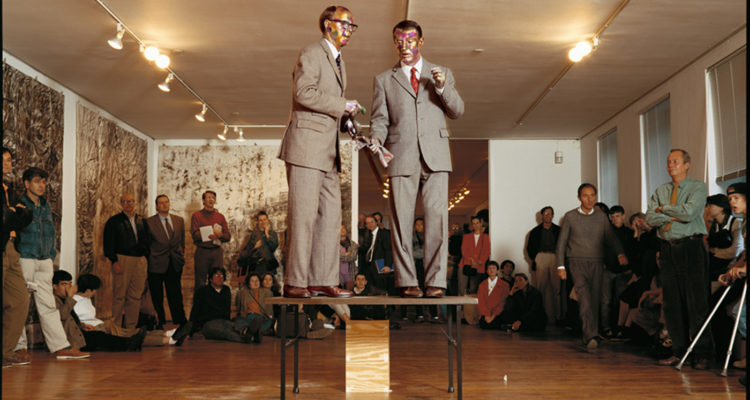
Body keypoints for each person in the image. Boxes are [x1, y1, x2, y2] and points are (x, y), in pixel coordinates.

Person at [369, 19, 465, 298]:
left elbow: (457, 111)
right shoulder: (383, 80)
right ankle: (407, 281)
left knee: (437, 220)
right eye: (399, 41)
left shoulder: (442, 73)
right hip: (401, 155)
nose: (404, 46)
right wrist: (376, 139)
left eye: (410, 40)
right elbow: (380, 119)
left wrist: (442, 87)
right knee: (401, 221)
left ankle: (436, 281)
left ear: (421, 42)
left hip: (436, 155)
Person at [277, 5, 360, 299]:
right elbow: (304, 92)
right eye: (344, 24)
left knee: (330, 218)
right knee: (303, 217)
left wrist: (347, 120)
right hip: (306, 148)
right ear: (327, 24)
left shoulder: (339, 61)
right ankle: (295, 282)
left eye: (352, 26)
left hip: (328, 152)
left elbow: (327, 106)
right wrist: (343, 105)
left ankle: (322, 280)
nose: (349, 30)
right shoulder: (312, 52)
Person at [646, 149, 712, 369]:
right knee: (672, 304)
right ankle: (679, 351)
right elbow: (650, 218)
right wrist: (674, 214)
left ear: (687, 164)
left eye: (675, 161)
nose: (670, 165)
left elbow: (690, 213)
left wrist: (664, 209)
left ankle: (701, 354)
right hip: (667, 249)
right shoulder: (661, 190)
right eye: (668, 162)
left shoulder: (698, 187)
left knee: (696, 303)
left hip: (691, 247)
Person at [14, 167, 89, 359]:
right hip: (25, 258)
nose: (41, 185)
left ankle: (60, 346)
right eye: (37, 181)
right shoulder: (19, 204)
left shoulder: (45, 205)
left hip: (44, 260)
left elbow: (50, 232)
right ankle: (18, 347)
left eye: (43, 182)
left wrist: (50, 255)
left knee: (48, 305)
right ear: (27, 184)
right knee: (20, 304)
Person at [557, 183, 627, 349]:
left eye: (592, 195)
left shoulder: (601, 217)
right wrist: (560, 266)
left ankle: (590, 333)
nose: (589, 199)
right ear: (579, 198)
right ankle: (590, 336)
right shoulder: (570, 216)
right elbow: (561, 242)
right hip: (576, 261)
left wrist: (620, 253)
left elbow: (610, 237)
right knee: (584, 298)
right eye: (585, 196)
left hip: (597, 261)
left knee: (595, 299)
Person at [71, 273, 188, 349]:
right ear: (88, 290)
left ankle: (168, 334)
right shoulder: (75, 301)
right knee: (133, 336)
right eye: (94, 290)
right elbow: (74, 321)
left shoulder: (86, 299)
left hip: (102, 325)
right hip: (97, 329)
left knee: (133, 332)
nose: (95, 293)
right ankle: (168, 339)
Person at [2, 147, 33, 367]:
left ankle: (5, 350)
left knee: (21, 299)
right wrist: (13, 212)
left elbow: (25, 216)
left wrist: (14, 212)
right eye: (2, 159)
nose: (6, 163)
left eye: (9, 160)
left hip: (12, 248)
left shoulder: (10, 190)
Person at [103, 193, 150, 329]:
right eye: (125, 201)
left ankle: (131, 328)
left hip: (140, 260)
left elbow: (148, 240)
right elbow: (108, 243)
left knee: (135, 296)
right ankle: (116, 327)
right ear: (121, 204)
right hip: (123, 259)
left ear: (134, 202)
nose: (128, 204)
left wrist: (146, 258)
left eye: (131, 201)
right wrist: (114, 261)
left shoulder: (142, 220)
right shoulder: (114, 221)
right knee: (119, 295)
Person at [144, 194, 187, 329]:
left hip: (174, 262)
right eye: (161, 203)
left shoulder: (179, 220)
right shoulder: (149, 222)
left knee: (175, 293)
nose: (164, 205)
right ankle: (160, 321)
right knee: (157, 295)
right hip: (156, 263)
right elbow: (146, 244)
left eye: (166, 202)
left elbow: (182, 242)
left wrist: (180, 257)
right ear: (157, 206)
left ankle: (180, 320)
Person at [189, 267, 261, 344]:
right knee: (225, 332)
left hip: (224, 321)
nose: (220, 278)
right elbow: (195, 311)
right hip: (208, 322)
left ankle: (248, 331)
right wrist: (192, 331)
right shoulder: (202, 291)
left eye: (222, 276)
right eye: (217, 275)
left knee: (235, 324)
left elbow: (226, 310)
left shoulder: (226, 290)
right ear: (210, 279)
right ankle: (249, 337)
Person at [718, 182, 746, 371]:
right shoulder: (744, 222)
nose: (732, 202)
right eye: (730, 199)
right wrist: (734, 269)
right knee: (738, 312)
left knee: (740, 312)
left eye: (736, 198)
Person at [526, 206, 562, 324]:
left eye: (550, 213)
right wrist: (535, 258)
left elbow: (564, 245)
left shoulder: (559, 230)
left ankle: (559, 317)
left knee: (557, 289)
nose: (548, 215)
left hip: (555, 258)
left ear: (553, 215)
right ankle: (539, 316)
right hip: (541, 257)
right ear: (542, 215)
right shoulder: (535, 231)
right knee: (540, 288)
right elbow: (529, 248)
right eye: (546, 213)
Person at [190, 190, 231, 292]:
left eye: (213, 198)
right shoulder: (197, 215)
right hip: (202, 251)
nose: (211, 200)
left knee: (217, 280)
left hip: (217, 252)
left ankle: (215, 301)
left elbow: (227, 236)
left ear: (215, 201)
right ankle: (200, 302)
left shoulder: (220, 217)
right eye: (208, 197)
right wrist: (209, 233)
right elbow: (195, 235)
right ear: (203, 200)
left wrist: (220, 235)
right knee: (200, 281)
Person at [705, 194, 743, 286]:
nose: (707, 208)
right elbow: (708, 246)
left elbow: (735, 251)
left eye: (710, 205)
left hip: (731, 264)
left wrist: (715, 251)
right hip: (716, 263)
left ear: (721, 207)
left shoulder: (737, 223)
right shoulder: (714, 225)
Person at [237, 211, 279, 281]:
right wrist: (255, 247)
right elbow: (247, 251)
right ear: (258, 222)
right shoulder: (253, 234)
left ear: (267, 220)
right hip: (256, 266)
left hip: (268, 266)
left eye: (264, 219)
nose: (263, 222)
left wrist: (267, 234)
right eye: (260, 220)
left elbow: (273, 247)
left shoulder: (273, 234)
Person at [234, 273, 274, 341]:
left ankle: (250, 332)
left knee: (267, 321)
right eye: (252, 281)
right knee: (238, 321)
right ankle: (257, 332)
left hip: (260, 317)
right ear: (249, 283)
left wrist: (270, 318)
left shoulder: (267, 293)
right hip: (247, 317)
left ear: (260, 282)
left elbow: (269, 309)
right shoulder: (242, 293)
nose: (255, 283)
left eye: (257, 280)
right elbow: (238, 306)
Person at [361, 214, 394, 295]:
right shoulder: (368, 235)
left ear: (376, 222)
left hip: (380, 266)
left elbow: (388, 250)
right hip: (369, 266)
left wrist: (388, 265)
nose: (370, 224)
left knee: (381, 290)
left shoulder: (384, 233)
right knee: (372, 291)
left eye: (372, 222)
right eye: (367, 223)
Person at [459, 215, 491, 295]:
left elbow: (487, 252)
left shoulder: (486, 237)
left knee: (474, 289)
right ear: (472, 225)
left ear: (481, 223)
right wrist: (472, 260)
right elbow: (464, 250)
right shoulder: (466, 237)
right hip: (465, 264)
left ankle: (471, 304)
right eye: (473, 223)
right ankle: (460, 303)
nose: (475, 225)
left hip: (479, 265)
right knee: (462, 289)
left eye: (477, 223)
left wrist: (480, 262)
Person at [477, 261, 509, 330]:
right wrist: (487, 314)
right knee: (484, 325)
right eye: (489, 268)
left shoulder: (505, 285)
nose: (491, 270)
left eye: (494, 268)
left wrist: (493, 316)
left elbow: (502, 302)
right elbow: (481, 301)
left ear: (497, 270)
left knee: (494, 324)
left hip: (497, 313)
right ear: (487, 271)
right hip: (485, 313)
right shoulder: (482, 285)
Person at [339, 224, 359, 288]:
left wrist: (340, 257)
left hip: (350, 272)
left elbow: (353, 257)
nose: (342, 230)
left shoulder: (353, 244)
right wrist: (345, 254)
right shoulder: (334, 244)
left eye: (343, 228)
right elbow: (333, 256)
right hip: (337, 273)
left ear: (346, 230)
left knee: (349, 291)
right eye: (340, 229)